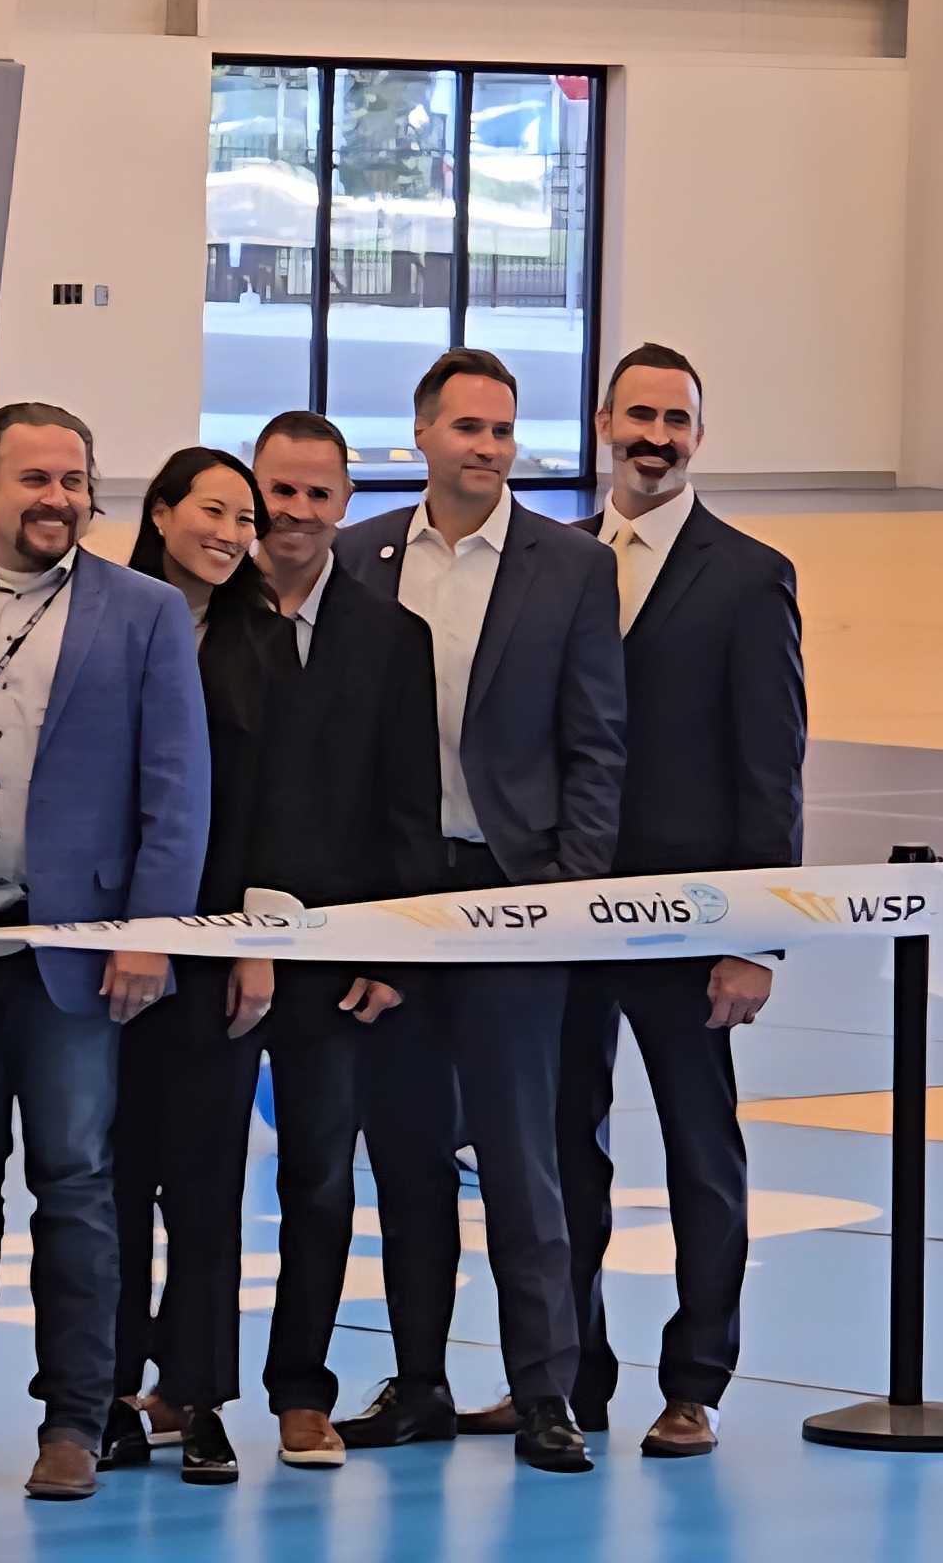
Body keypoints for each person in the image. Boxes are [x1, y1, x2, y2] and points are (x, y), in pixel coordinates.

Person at [0, 401, 206, 1503]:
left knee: (77, 1184)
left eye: (73, 479)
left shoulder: (146, 612)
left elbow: (176, 789)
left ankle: (74, 1418)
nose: (57, 499)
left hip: (83, 950)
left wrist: (148, 935)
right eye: (34, 480)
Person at [330, 347, 625, 1476]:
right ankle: (419, 1381)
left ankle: (546, 1389)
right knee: (403, 1155)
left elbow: (599, 744)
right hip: (397, 903)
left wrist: (563, 894)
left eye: (502, 429)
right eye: (466, 427)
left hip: (517, 898)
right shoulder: (361, 560)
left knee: (523, 1156)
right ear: (421, 437)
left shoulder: (571, 567)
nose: (487, 447)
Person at [559, 344, 805, 1458]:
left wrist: (756, 940)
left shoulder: (750, 577)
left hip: (691, 921)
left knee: (702, 1153)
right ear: (605, 418)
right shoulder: (555, 561)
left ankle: (695, 1380)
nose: (655, 436)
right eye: (639, 414)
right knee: (564, 1149)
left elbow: (772, 766)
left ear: (699, 435)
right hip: (561, 915)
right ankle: (567, 1370)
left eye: (678, 420)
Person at [234, 410, 442, 1472]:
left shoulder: (392, 638)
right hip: (211, 957)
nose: (296, 512)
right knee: (186, 1175)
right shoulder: (191, 624)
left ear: (345, 507)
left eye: (318, 494)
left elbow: (410, 810)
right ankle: (177, 1388)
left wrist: (390, 948)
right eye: (279, 489)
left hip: (331, 963)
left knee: (319, 1178)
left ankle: (301, 1393)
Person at [100, 447, 277, 1486]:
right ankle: (110, 1391)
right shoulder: (105, 620)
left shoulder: (263, 643)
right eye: (215, 509)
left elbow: (275, 808)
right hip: (112, 949)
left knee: (206, 1188)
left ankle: (200, 1394)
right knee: (109, 1183)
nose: (233, 532)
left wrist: (256, 942)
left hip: (216, 957)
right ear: (161, 511)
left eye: (245, 519)